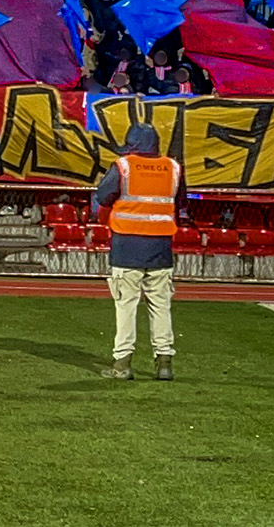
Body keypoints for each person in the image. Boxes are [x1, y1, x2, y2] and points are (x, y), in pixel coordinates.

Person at [91, 123, 187, 381]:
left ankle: (122, 364)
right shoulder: (173, 168)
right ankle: (164, 363)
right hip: (160, 249)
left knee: (126, 307)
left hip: (126, 247)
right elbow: (181, 202)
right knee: (161, 307)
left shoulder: (123, 166)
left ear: (131, 144)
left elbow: (103, 196)